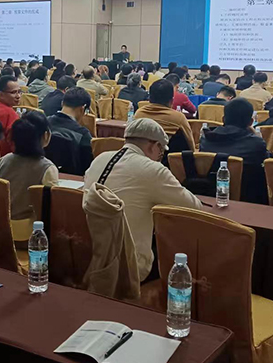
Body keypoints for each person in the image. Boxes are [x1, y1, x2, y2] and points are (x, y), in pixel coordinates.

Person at [84, 118, 202, 281]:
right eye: (161, 152)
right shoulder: (153, 170)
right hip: (130, 267)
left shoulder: (99, 159)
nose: (160, 157)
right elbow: (194, 207)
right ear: (154, 146)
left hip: (90, 256)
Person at [0, 110, 58, 242]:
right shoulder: (47, 168)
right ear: (46, 135)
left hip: (0, 229)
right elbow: (54, 209)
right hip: (30, 235)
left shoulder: (1, 162)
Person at [200, 98, 270, 204]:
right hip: (246, 199)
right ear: (251, 122)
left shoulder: (206, 139)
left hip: (210, 196)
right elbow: (268, 165)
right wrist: (259, 138)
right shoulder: (256, 143)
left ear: (223, 119)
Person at [135, 79, 196, 150]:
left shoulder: (139, 114)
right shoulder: (178, 118)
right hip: (169, 156)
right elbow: (190, 143)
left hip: (143, 154)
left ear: (149, 99)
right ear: (172, 101)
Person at [46, 87, 94, 176]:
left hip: (44, 176)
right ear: (83, 108)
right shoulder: (83, 134)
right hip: (73, 180)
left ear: (62, 103)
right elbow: (88, 168)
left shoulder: (44, 123)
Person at [0, 75, 21, 156]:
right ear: (1, 94)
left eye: (19, 92)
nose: (18, 96)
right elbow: (15, 146)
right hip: (4, 159)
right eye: (13, 92)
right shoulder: (11, 115)